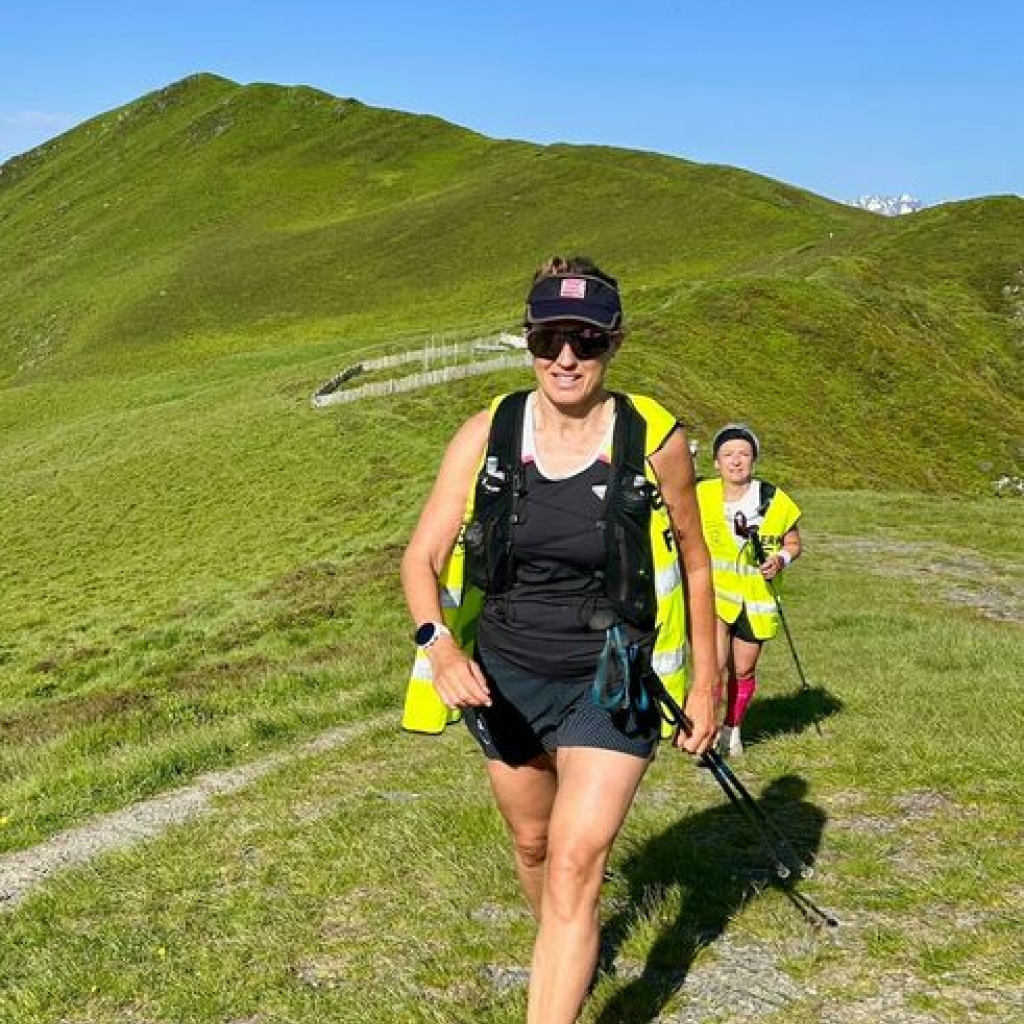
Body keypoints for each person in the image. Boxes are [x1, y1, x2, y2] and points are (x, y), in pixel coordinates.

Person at [400, 256, 718, 1024]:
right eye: (549, 339)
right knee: (536, 845)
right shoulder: (488, 433)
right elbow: (420, 558)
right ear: (529, 341)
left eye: (587, 340)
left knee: (576, 863)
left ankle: (560, 974)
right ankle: (566, 947)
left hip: (612, 679)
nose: (566, 358)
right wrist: (441, 648)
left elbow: (697, 560)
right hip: (505, 678)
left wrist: (707, 685)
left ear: (615, 342)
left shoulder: (654, 439)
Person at [696, 424, 803, 757]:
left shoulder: (774, 499)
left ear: (753, 460)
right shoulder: (700, 494)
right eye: (728, 455)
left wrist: (781, 559)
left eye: (743, 454)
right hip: (715, 595)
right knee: (713, 666)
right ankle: (707, 732)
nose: (736, 461)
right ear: (716, 462)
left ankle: (733, 729)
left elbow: (794, 543)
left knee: (742, 669)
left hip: (756, 599)